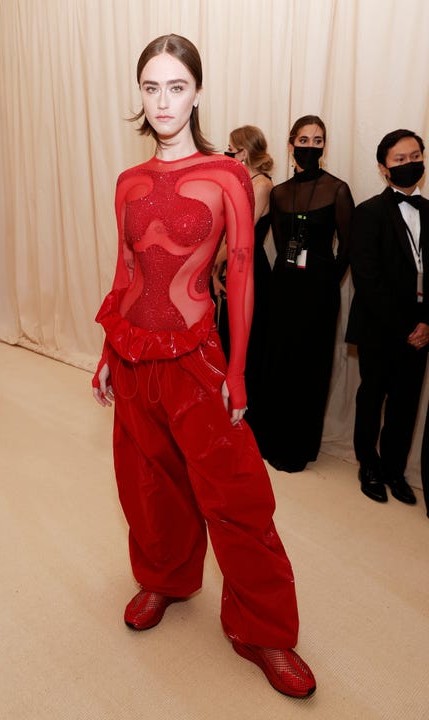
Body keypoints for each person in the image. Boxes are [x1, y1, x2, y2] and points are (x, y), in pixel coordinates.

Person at [92, 34, 315, 698]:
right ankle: (165, 579)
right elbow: (126, 269)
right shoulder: (128, 181)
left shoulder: (225, 176)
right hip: (133, 354)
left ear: (197, 92)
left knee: (238, 498)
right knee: (148, 486)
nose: (163, 101)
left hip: (196, 358)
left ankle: (264, 631)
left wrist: (238, 372)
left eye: (176, 87)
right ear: (140, 93)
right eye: (151, 87)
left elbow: (241, 277)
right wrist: (107, 351)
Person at [260, 115, 354, 472]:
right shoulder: (280, 192)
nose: (310, 146)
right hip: (284, 289)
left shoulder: (337, 189)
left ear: (324, 146)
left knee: (311, 366)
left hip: (319, 291)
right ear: (290, 144)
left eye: (318, 141)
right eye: (304, 139)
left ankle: (300, 446)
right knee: (280, 361)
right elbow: (283, 245)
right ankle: (273, 437)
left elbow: (347, 246)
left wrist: (329, 280)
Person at [346, 129, 429, 505]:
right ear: (383, 168)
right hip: (380, 326)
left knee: (406, 402)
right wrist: (403, 327)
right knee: (372, 396)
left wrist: (425, 323)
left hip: (421, 327)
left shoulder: (428, 211)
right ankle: (368, 464)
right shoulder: (368, 212)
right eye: (400, 159)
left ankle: (395, 470)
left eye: (416, 157)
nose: (410, 164)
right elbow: (367, 278)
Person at [212, 125, 273, 439]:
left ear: (245, 151)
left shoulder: (261, 184)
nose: (228, 153)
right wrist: (212, 271)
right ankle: (225, 414)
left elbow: (240, 236)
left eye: (231, 148)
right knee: (225, 340)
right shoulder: (240, 180)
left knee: (244, 343)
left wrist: (211, 261)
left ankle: (244, 420)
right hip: (228, 265)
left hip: (248, 267)